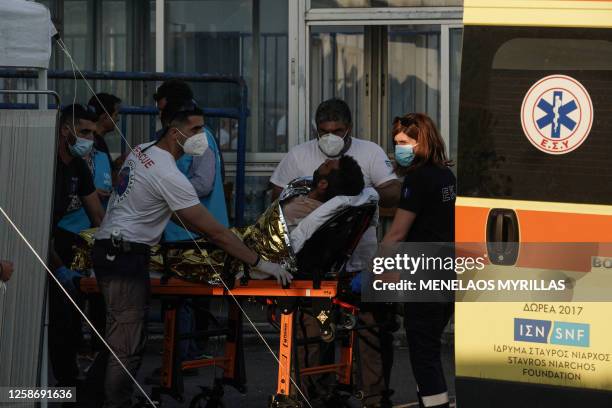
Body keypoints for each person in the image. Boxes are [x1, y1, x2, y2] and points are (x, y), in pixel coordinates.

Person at [91, 103, 292, 408]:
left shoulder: (143, 150)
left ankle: (92, 399)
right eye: (196, 129)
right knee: (126, 346)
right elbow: (218, 233)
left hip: (112, 250)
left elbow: (163, 209)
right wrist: (260, 262)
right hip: (124, 256)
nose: (203, 136)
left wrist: (200, 231)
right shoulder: (168, 173)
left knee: (117, 339)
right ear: (175, 133)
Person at [270, 98, 400, 407]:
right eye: (324, 131)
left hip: (362, 259)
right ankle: (315, 393)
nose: (330, 137)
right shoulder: (299, 156)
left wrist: (353, 192)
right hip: (315, 264)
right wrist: (313, 195)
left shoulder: (369, 153)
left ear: (349, 129)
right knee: (314, 333)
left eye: (337, 130)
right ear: (315, 129)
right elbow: (276, 196)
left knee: (372, 329)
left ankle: (373, 395)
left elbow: (393, 191)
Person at [382, 113, 456, 408]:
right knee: (429, 348)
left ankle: (435, 405)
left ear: (420, 142)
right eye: (395, 142)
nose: (398, 148)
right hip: (446, 271)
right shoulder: (445, 176)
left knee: (422, 351)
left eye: (403, 142)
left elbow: (397, 233)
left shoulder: (418, 179)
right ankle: (431, 402)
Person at [49, 104, 106, 389]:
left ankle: (68, 386)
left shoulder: (78, 165)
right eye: (84, 132)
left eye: (93, 134)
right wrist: (59, 269)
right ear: (64, 130)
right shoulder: (46, 162)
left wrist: (112, 245)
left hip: (60, 242)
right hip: (38, 241)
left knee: (68, 319)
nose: (90, 140)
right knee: (53, 316)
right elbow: (34, 228)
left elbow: (98, 214)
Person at [88, 92, 121, 195]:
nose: (118, 119)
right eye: (115, 114)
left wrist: (118, 162)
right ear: (105, 117)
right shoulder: (96, 143)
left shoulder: (99, 142)